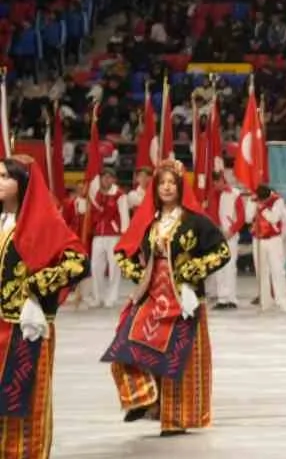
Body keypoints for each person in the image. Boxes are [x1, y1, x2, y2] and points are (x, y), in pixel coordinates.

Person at [102, 160, 231, 437]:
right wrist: (140, 275)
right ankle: (144, 397)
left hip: (183, 298)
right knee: (125, 346)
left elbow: (222, 252)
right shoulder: (148, 223)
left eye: (172, 182)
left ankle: (176, 418)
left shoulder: (196, 221)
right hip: (152, 296)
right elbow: (121, 253)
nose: (167, 187)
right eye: (162, 183)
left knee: (179, 358)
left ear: (181, 186)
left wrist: (189, 272)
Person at [0, 157, 89, 459]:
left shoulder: (43, 223)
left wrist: (37, 290)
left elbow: (78, 263)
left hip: (25, 323)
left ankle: (19, 458)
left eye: (5, 177)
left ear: (22, 184)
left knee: (22, 387)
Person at [86, 166, 128, 309]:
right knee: (96, 267)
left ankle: (111, 297)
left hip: (114, 235)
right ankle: (98, 297)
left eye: (109, 177)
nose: (106, 179)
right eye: (104, 177)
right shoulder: (95, 194)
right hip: (98, 235)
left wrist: (124, 234)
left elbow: (124, 215)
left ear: (114, 179)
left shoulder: (119, 195)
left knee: (114, 267)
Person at [250, 184, 286, 313]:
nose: (261, 201)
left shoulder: (278, 201)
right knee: (261, 271)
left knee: (278, 271)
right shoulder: (254, 201)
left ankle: (282, 301)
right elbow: (248, 218)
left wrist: (280, 236)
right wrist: (252, 204)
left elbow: (276, 219)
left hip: (274, 240)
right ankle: (265, 301)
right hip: (258, 240)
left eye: (262, 200)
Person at [209, 171, 246, 309]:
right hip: (217, 234)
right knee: (219, 266)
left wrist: (232, 231)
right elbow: (210, 213)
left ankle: (231, 298)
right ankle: (222, 298)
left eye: (217, 182)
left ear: (223, 181)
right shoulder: (212, 194)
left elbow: (241, 217)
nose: (215, 185)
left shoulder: (235, 194)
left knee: (230, 266)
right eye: (214, 183)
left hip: (230, 234)